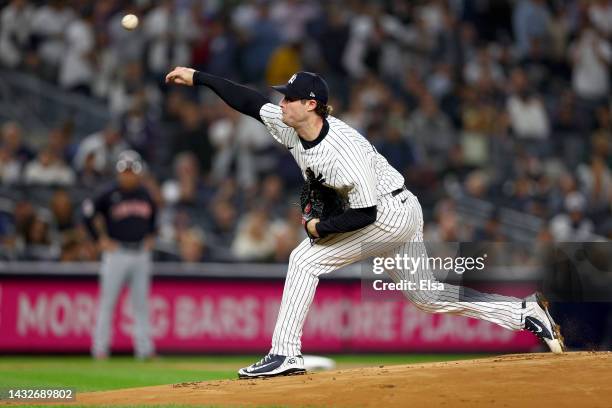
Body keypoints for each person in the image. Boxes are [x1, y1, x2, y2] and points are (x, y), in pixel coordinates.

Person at [165, 67, 565, 378]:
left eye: (289, 98)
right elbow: (248, 102)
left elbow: (366, 214)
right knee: (425, 296)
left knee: (304, 260)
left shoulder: (342, 150)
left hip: (386, 214)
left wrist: (320, 229)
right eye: (283, 97)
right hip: (401, 209)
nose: (281, 102)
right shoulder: (291, 127)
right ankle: (523, 312)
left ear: (311, 105)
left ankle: (285, 353)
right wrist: (198, 77)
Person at [83, 150, 157, 360]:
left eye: (132, 171)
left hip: (141, 252)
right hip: (117, 254)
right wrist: (99, 239)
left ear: (138, 172)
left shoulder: (145, 194)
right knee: (108, 303)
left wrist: (151, 235)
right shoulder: (108, 193)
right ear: (118, 172)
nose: (128, 175)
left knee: (141, 304)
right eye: (125, 171)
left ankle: (144, 350)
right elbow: (87, 213)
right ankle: (100, 350)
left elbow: (154, 218)